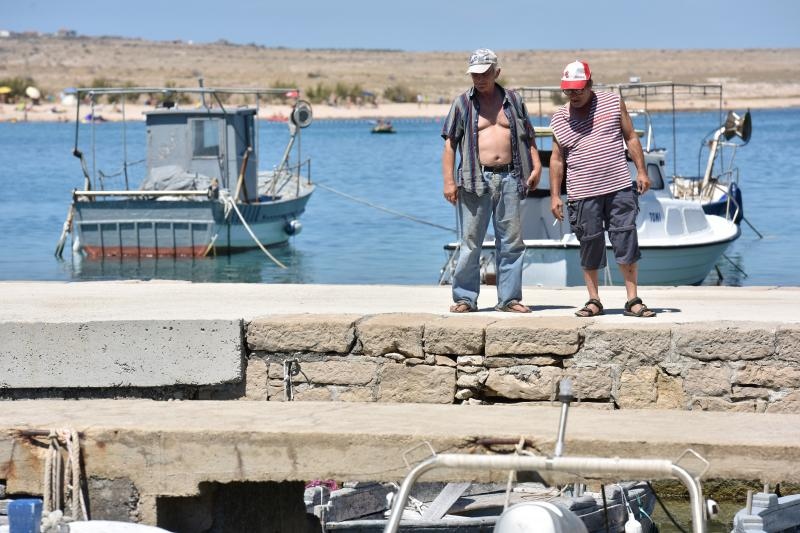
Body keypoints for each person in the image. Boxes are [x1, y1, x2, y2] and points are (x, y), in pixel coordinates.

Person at [549, 60, 656, 318]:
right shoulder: (559, 117)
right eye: (568, 90)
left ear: (590, 84)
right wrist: (555, 195)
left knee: (625, 239)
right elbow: (557, 159)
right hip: (582, 192)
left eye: (578, 89)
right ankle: (593, 300)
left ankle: (633, 300)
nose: (574, 95)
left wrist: (641, 170)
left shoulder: (612, 102)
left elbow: (630, 136)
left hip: (618, 186)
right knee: (589, 243)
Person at [441, 48, 542, 313]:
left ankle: (509, 299)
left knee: (510, 242)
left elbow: (528, 136)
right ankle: (465, 298)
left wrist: (537, 164)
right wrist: (448, 182)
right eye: (475, 74)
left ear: (496, 72)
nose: (480, 79)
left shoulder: (514, 100)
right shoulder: (462, 103)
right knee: (470, 242)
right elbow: (450, 144)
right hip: (474, 179)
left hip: (510, 176)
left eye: (485, 73)